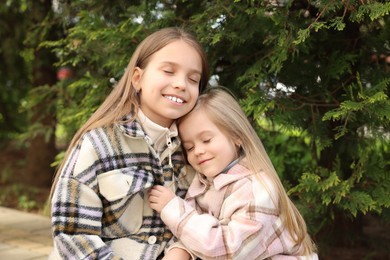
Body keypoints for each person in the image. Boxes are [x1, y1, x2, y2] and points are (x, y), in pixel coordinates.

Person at [49, 27, 209, 259]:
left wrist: (182, 251)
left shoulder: (195, 150)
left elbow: (209, 217)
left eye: (193, 79)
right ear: (137, 78)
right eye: (168, 71)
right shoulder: (100, 143)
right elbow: (73, 233)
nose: (181, 84)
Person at [149, 87, 318, 259]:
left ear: (237, 136)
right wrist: (180, 251)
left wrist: (173, 210)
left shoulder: (256, 189)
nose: (198, 151)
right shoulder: (203, 184)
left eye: (206, 140)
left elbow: (230, 252)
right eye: (189, 147)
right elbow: (195, 234)